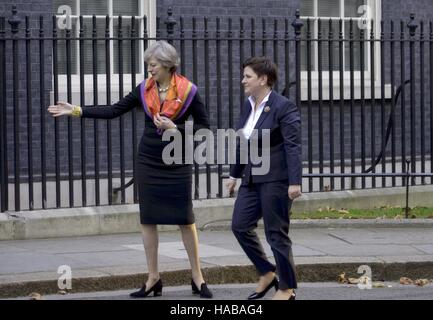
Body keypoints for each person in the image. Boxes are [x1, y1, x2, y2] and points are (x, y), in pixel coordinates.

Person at [47, 41, 213, 299]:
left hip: (177, 160)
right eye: (148, 65)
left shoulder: (189, 91)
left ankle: (197, 276)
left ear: (168, 65)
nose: (150, 69)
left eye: (154, 65)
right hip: (148, 160)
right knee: (148, 218)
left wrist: (175, 129)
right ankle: (153, 278)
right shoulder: (144, 90)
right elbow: (114, 110)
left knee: (185, 218)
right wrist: (77, 110)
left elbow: (205, 129)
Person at [226, 56, 302, 300]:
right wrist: (234, 174)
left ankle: (287, 289)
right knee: (239, 225)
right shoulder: (249, 105)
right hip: (251, 178)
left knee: (276, 233)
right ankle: (267, 272)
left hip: (276, 179)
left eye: (248, 76)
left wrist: (294, 181)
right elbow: (243, 140)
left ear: (263, 79)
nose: (243, 81)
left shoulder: (283, 106)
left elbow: (293, 145)